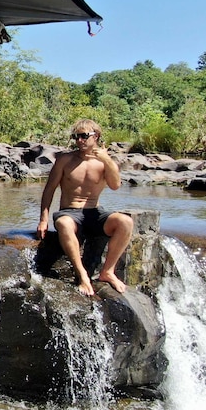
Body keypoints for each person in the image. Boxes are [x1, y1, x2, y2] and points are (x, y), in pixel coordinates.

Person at [36, 119, 133, 296]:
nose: (79, 141)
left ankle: (107, 272)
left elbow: (115, 185)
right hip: (69, 212)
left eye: (83, 136)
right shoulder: (65, 160)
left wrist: (107, 160)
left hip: (94, 212)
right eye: (76, 137)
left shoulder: (104, 162)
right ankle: (82, 275)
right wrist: (43, 219)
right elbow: (49, 189)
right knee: (64, 224)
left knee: (125, 222)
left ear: (95, 136)